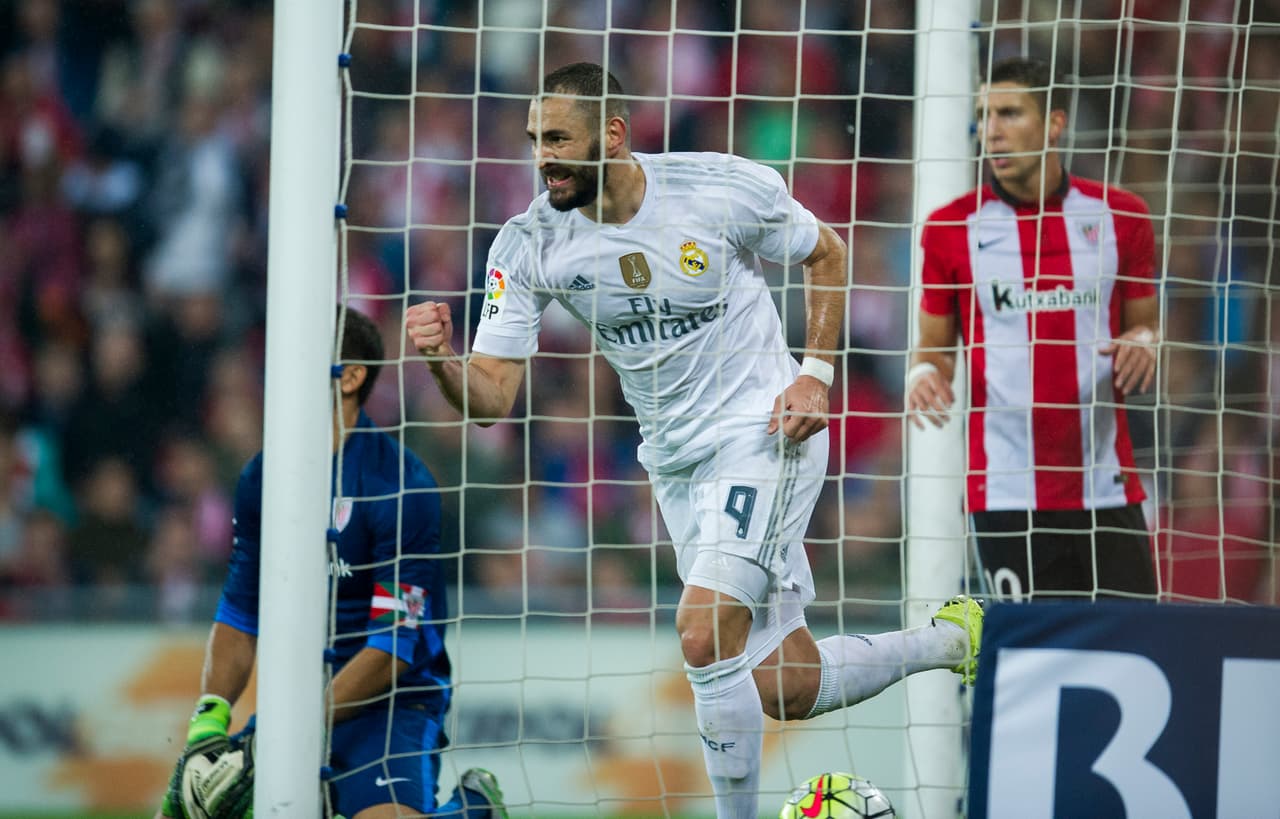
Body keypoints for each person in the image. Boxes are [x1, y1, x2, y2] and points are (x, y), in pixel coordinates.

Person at [405, 62, 982, 819]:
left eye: (556, 138)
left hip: (767, 428)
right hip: (676, 466)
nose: (540, 156)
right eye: (532, 140)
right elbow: (492, 397)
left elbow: (828, 252)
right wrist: (443, 361)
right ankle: (951, 641)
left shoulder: (714, 188)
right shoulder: (528, 245)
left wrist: (816, 375)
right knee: (784, 683)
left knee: (703, 630)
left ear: (612, 134)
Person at [157, 307, 507, 819]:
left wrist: (289, 727)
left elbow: (392, 649)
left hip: (392, 702)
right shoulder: (262, 477)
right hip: (295, 697)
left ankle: (474, 810)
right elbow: (239, 612)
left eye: (300, 357)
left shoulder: (400, 487)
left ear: (351, 376)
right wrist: (207, 725)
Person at [906, 56, 1160, 602]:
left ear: (1054, 123)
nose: (991, 130)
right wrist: (925, 373)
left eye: (1009, 112)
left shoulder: (1123, 217)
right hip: (1005, 494)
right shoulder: (951, 229)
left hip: (1106, 486)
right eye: (984, 114)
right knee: (1031, 663)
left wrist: (1145, 342)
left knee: (1136, 649)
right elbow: (932, 349)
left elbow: (1145, 327)